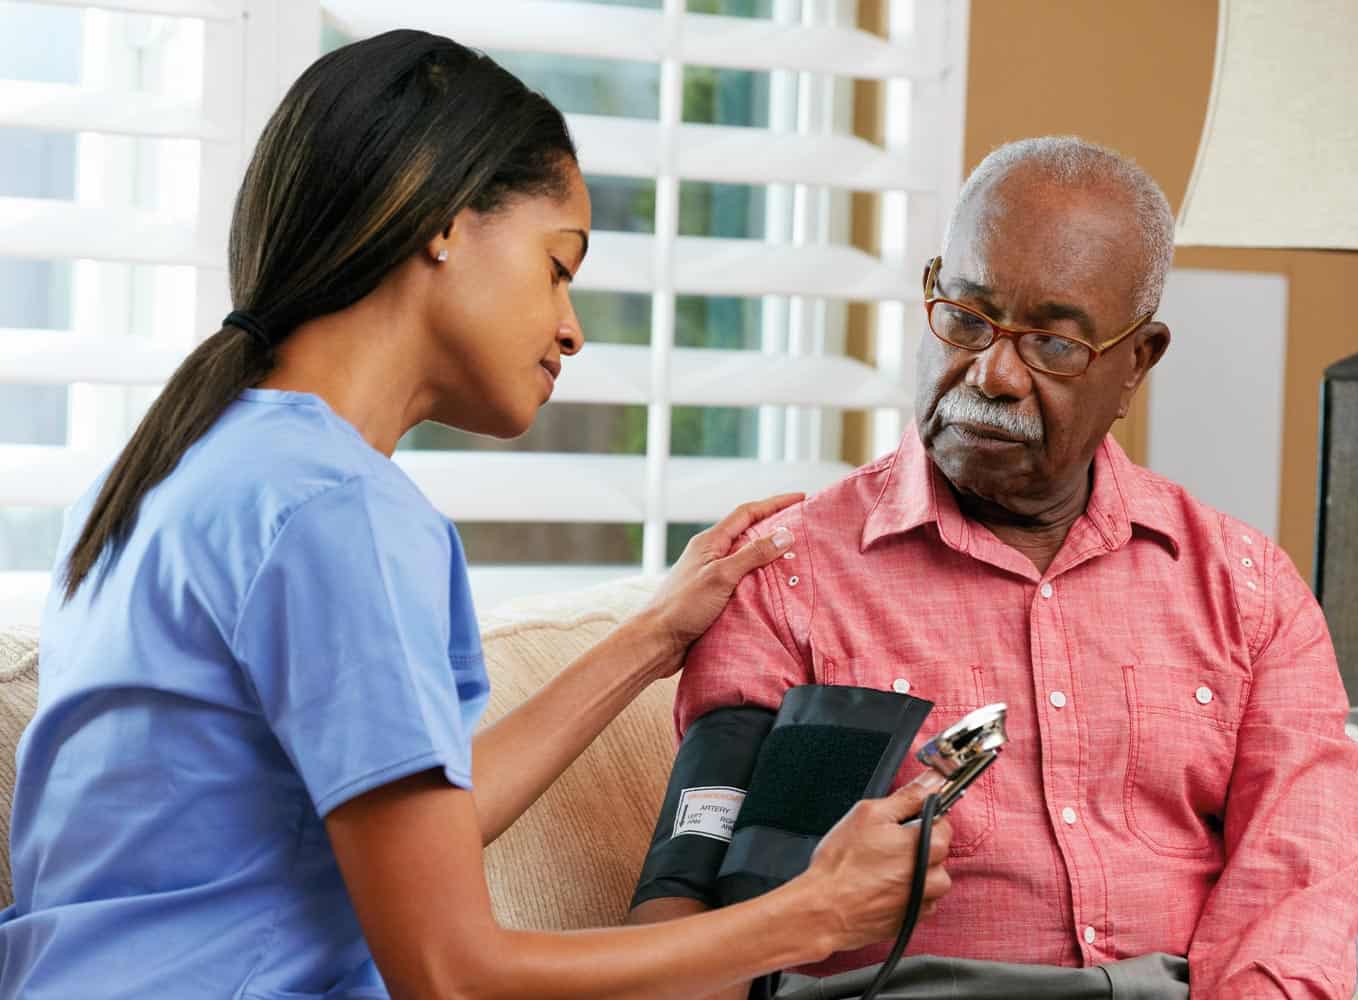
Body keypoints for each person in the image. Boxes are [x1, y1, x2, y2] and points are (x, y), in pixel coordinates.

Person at [0, 30, 955, 1000]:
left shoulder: (174, 470)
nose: (572, 328)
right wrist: (808, 913)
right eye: (559, 265)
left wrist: (654, 635)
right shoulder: (338, 515)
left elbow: (415, 834)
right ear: (447, 221)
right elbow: (451, 972)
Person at [630, 136, 1358, 999]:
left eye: (1054, 345)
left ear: (1137, 361)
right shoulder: (784, 576)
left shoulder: (1246, 590)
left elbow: (1301, 877)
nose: (992, 374)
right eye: (967, 319)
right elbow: (686, 906)